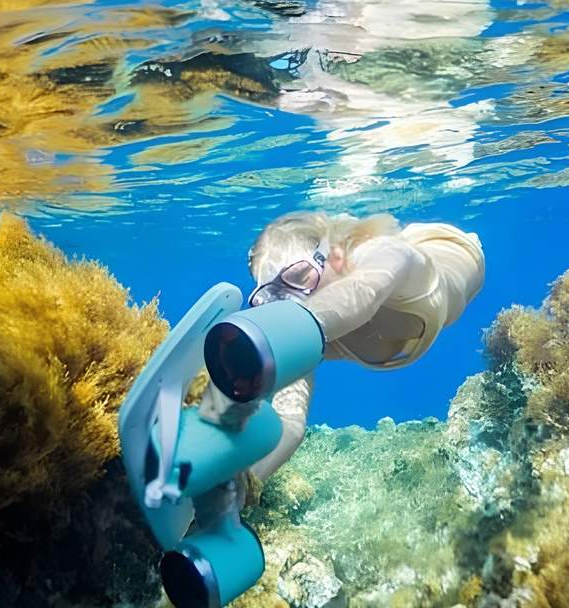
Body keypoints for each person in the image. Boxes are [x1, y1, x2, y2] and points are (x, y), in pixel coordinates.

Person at [194, 209, 486, 514]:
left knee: (375, 247)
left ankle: (343, 231)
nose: (293, 299)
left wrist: (255, 345)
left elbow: (363, 293)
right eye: (273, 294)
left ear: (333, 257)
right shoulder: (310, 329)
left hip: (450, 247)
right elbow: (291, 423)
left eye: (298, 276)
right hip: (349, 259)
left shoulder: (389, 255)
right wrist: (238, 487)